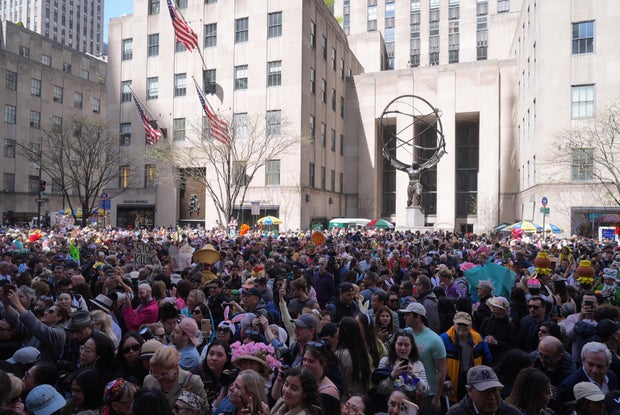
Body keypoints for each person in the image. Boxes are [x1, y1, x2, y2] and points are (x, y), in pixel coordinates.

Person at [399, 302, 446, 414]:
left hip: (427, 394)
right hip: (407, 393)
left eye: (408, 314)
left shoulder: (434, 339)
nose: (404, 317)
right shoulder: (406, 334)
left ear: (418, 316)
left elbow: (442, 371)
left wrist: (437, 397)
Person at [2, 287, 67, 363]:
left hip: (40, 371)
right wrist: (6, 304)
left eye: (51, 312)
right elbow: (19, 324)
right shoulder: (41, 327)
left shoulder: (59, 333)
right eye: (47, 310)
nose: (46, 313)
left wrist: (16, 303)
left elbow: (39, 328)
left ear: (59, 317)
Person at [441, 311, 493, 404]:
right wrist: (445, 379)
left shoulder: (478, 340)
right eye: (459, 324)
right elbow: (437, 363)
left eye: (465, 324)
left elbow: (487, 360)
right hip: (452, 381)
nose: (462, 327)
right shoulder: (444, 339)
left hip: (472, 380)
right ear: (454, 324)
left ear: (470, 326)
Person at [557, 342, 619, 415]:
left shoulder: (612, 376)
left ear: (608, 365)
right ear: (583, 361)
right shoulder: (569, 385)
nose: (595, 370)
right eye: (591, 364)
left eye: (600, 366)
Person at [374, 329, 428, 412]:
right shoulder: (385, 362)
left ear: (411, 346)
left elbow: (425, 392)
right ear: (394, 344)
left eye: (406, 345)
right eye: (399, 344)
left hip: (408, 410)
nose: (403, 348)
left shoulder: (418, 364)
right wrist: (392, 376)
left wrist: (413, 376)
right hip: (388, 409)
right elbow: (380, 391)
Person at [142, 347, 207, 411]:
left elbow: (204, 410)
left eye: (163, 374)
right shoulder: (148, 380)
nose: (158, 377)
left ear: (175, 367)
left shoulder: (191, 381)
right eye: (154, 373)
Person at [446, 365, 521, 415]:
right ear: (469, 391)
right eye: (485, 391)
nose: (492, 397)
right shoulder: (456, 413)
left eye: (495, 390)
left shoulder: (511, 412)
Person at [530, 336, 576, 412]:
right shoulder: (533, 358)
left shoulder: (568, 372)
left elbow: (561, 399)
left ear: (559, 356)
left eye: (547, 357)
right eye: (540, 354)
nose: (542, 359)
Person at [335, 316, 371, 400]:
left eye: (339, 326)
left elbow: (338, 380)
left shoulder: (340, 354)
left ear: (343, 331)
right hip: (361, 397)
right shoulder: (362, 351)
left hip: (346, 399)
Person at [198, 340, 236, 413]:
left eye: (219, 355)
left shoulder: (233, 376)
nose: (214, 358)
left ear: (227, 358)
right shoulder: (198, 372)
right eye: (211, 354)